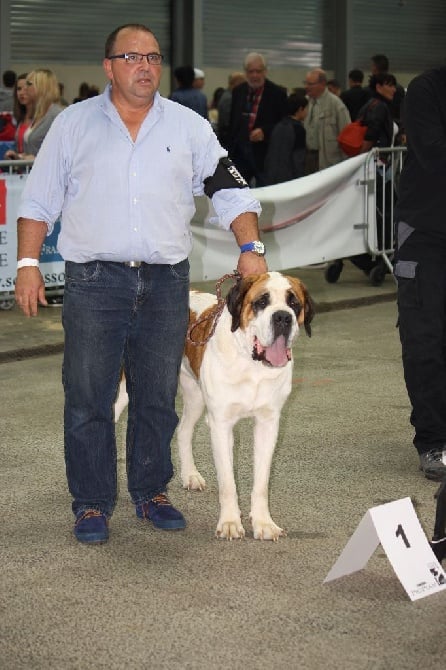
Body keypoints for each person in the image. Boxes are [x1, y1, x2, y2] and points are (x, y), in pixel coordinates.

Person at [14, 22, 266, 545]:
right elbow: (38, 201)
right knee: (88, 396)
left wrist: (251, 248)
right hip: (93, 282)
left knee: (155, 396)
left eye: (152, 57)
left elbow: (229, 189)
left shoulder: (189, 126)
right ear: (109, 67)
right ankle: (90, 503)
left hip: (165, 282)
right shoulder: (73, 125)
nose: (145, 66)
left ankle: (152, 492)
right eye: (132, 57)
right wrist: (27, 264)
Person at [393, 66, 446, 481]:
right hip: (426, 233)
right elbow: (434, 152)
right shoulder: (427, 89)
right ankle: (433, 440)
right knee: (425, 337)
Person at [325, 72, 397, 285]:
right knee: (386, 212)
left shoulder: (369, 105)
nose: (393, 89)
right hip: (376, 168)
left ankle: (364, 255)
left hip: (373, 168)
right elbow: (371, 133)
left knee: (366, 213)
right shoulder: (380, 107)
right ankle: (379, 254)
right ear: (378, 86)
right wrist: (364, 157)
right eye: (389, 85)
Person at [228, 52, 287, 186]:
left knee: (265, 192)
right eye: (251, 71)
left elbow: (284, 124)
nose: (254, 75)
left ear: (265, 71)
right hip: (240, 153)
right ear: (245, 72)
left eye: (258, 71)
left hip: (264, 154)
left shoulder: (278, 93)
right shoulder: (238, 91)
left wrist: (265, 132)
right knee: (237, 192)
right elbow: (232, 123)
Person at [5, 68, 63, 160]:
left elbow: (62, 153)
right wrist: (19, 157)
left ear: (41, 87)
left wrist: (35, 159)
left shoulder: (57, 115)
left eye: (29, 84)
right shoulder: (38, 114)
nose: (25, 88)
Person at [303, 68, 351, 174]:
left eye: (310, 84)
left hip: (329, 163)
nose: (306, 87)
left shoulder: (337, 105)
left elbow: (347, 137)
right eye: (306, 83)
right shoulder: (305, 102)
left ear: (322, 84)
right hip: (308, 158)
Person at [264, 92, 308, 185]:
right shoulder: (298, 129)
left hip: (272, 176)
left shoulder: (278, 126)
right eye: (306, 108)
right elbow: (298, 158)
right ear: (300, 109)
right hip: (290, 179)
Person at [4, 73, 33, 156]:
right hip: (20, 167)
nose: (21, 93)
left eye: (26, 89)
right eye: (19, 89)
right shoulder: (20, 117)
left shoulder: (43, 118)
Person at [217, 71, 246, 150]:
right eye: (243, 83)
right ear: (236, 83)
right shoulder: (229, 98)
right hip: (228, 140)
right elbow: (229, 122)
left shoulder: (229, 96)